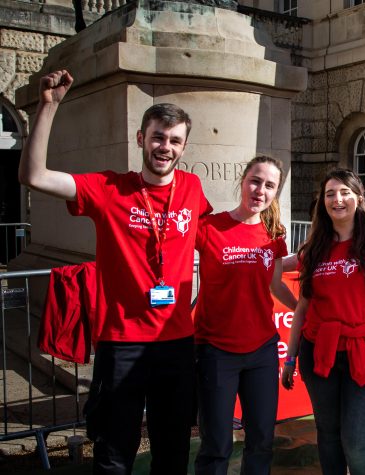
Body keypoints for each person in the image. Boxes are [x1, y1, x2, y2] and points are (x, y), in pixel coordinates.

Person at [18, 70, 212, 474]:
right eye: (158, 137)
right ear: (141, 139)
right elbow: (33, 176)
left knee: (173, 448)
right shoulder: (108, 189)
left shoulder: (192, 189)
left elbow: (220, 236)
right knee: (113, 450)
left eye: (175, 140)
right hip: (121, 341)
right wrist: (48, 106)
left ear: (184, 147)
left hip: (175, 340)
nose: (166, 147)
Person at [281, 169, 365, 475]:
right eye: (330, 194)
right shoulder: (314, 250)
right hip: (319, 354)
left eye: (345, 192)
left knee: (356, 440)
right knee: (328, 434)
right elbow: (303, 308)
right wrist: (291, 357)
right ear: (323, 202)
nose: (337, 199)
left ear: (358, 199)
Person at [193, 156, 297, 475]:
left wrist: (302, 310)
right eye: (255, 181)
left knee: (262, 439)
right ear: (243, 180)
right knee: (216, 445)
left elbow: (275, 283)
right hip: (216, 351)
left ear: (275, 192)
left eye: (269, 185)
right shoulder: (209, 227)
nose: (260, 190)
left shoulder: (273, 234)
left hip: (262, 351)